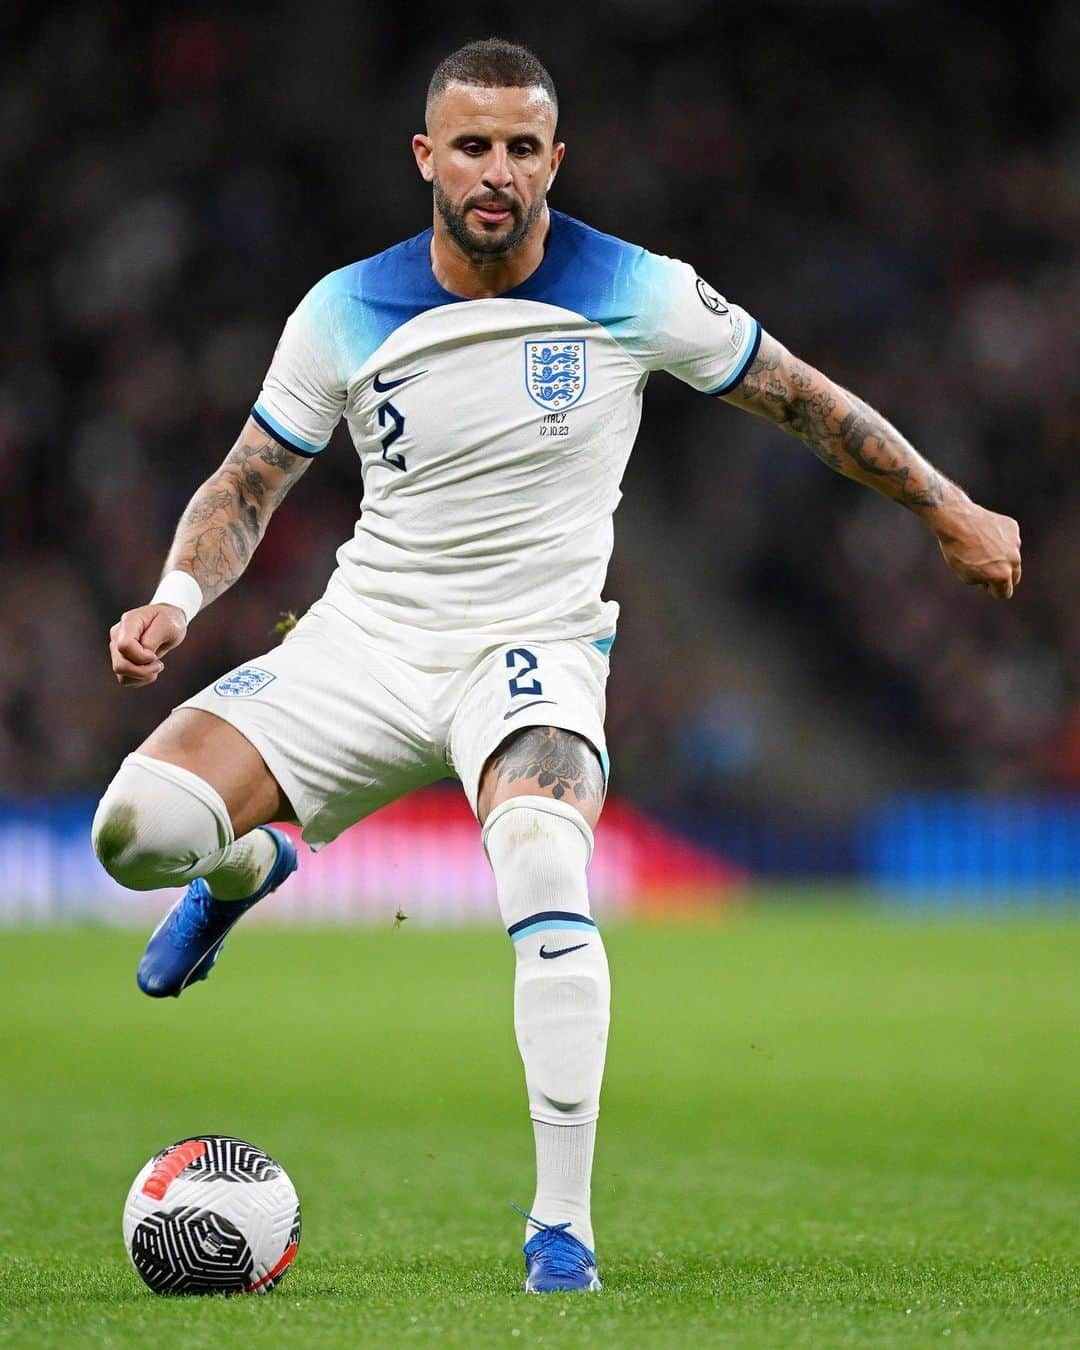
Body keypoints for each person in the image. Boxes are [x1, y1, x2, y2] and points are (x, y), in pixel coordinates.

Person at [92, 38, 1022, 1293]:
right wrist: (173, 598)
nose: (497, 172)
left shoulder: (636, 289)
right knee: (133, 834)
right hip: (365, 641)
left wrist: (950, 508)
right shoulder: (345, 307)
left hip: (529, 653)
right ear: (426, 156)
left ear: (554, 161)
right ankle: (252, 859)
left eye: (522, 148)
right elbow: (249, 483)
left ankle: (561, 1229)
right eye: (472, 145)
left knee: (543, 858)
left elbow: (803, 398)